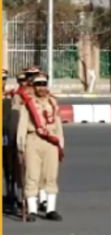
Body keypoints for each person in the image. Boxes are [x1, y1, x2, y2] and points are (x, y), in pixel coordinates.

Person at [14, 73, 65, 220]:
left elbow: (58, 125)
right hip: (33, 140)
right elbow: (22, 125)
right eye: (38, 84)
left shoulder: (53, 103)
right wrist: (21, 146)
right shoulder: (28, 104)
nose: (41, 87)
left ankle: (51, 209)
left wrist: (60, 144)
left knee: (51, 176)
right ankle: (32, 210)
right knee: (32, 175)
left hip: (51, 142)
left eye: (43, 84)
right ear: (34, 86)